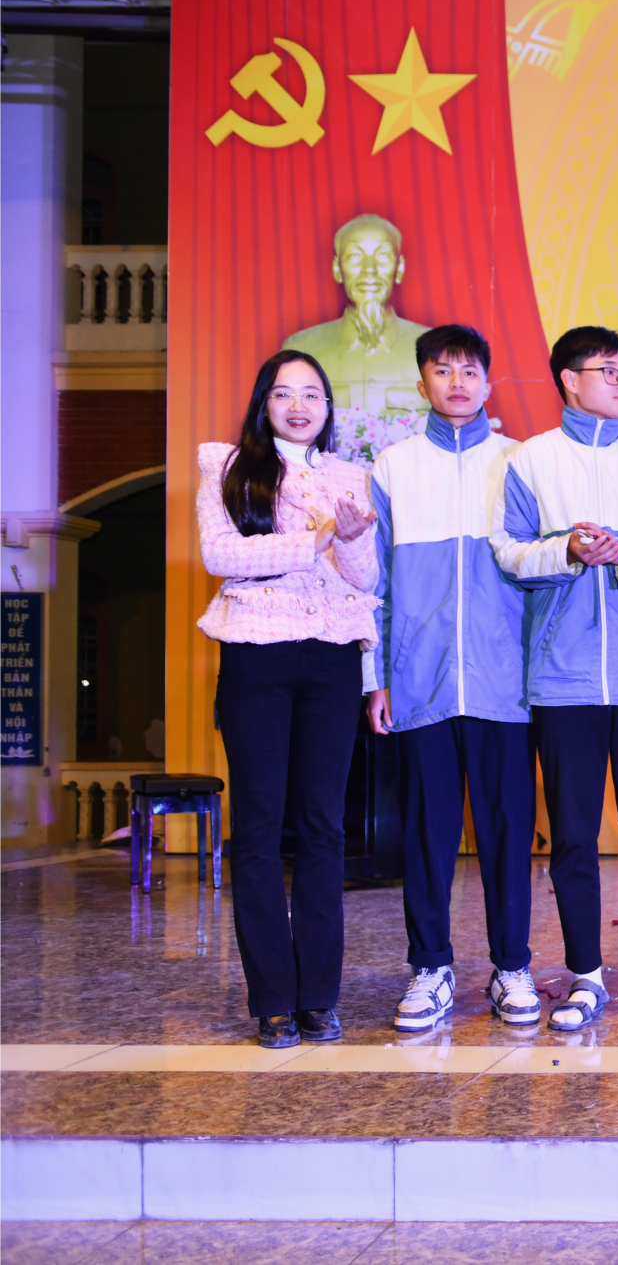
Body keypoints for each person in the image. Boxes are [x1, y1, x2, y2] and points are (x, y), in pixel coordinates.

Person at [493, 326, 618, 1032]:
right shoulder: (530, 460)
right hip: (564, 679)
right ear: (568, 380)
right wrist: (569, 551)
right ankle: (585, 977)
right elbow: (509, 552)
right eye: (607, 370)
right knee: (573, 836)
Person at [196, 350, 378, 1048]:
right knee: (259, 827)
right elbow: (221, 555)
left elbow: (363, 578)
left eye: (312, 394)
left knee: (324, 826)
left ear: (328, 408)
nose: (298, 405)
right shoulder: (227, 466)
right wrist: (314, 540)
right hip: (256, 652)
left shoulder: (349, 477)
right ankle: (273, 999)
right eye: (283, 393)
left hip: (330, 658)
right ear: (263, 403)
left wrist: (349, 540)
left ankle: (319, 998)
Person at [366, 325, 538, 1031]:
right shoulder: (394, 467)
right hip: (421, 680)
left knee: (508, 832)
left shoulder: (520, 461)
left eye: (470, 371)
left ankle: (512, 966)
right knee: (427, 834)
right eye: (443, 370)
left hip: (506, 683)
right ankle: (430, 967)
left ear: (489, 383)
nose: (457, 382)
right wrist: (377, 675)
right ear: (422, 383)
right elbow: (372, 581)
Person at [282, 213, 433, 416]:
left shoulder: (435, 349)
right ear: (337, 269)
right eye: (354, 256)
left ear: (399, 268)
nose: (369, 270)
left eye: (382, 256)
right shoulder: (302, 348)